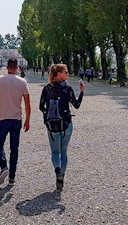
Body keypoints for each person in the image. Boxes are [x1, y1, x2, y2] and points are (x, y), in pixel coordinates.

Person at [39, 63, 85, 191]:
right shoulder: (67, 89)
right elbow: (76, 105)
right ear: (59, 74)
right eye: (66, 72)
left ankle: (57, 170)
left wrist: (48, 115)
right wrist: (81, 92)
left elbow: (41, 107)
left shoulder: (47, 89)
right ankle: (62, 176)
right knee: (63, 151)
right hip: (66, 124)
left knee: (55, 152)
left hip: (51, 125)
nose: (68, 74)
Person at [0, 58, 31, 186]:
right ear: (17, 68)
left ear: (7, 67)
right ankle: (12, 177)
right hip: (16, 119)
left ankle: (3, 166)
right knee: (14, 148)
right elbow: (27, 103)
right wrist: (27, 120)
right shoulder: (22, 82)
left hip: (3, 118)